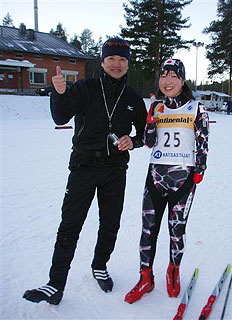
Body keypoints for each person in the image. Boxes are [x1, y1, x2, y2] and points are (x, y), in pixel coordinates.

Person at [23, 37, 147, 305]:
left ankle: (99, 265)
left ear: (128, 64)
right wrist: (58, 93)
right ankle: (55, 284)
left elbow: (147, 132)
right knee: (70, 225)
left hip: (115, 168)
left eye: (122, 60)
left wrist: (133, 141)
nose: (117, 64)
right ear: (102, 62)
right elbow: (60, 117)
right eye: (111, 59)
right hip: (83, 165)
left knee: (110, 223)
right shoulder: (85, 88)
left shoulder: (133, 98)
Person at [124, 58, 209, 304]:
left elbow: (203, 142)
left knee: (176, 231)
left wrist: (199, 170)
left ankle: (173, 271)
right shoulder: (157, 107)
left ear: (182, 80)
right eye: (164, 76)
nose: (168, 81)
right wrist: (151, 120)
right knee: (147, 231)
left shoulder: (196, 108)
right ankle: (145, 277)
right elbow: (148, 142)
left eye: (174, 76)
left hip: (183, 181)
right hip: (156, 177)